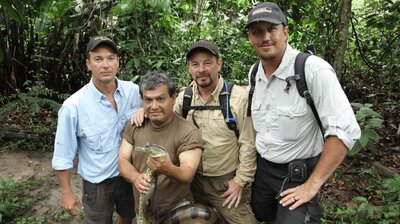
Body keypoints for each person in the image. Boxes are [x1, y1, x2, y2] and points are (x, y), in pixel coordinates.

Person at [245, 2, 361, 224]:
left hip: (297, 173)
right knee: (264, 215)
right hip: (264, 171)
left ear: (285, 31)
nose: (265, 37)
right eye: (257, 31)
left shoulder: (313, 70)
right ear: (250, 37)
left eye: (271, 29)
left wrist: (312, 185)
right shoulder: (254, 73)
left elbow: (344, 130)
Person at [134, 41, 258, 223]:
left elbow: (248, 143)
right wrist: (143, 111)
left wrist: (240, 181)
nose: (201, 69)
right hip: (191, 182)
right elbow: (165, 116)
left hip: (224, 181)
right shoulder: (185, 97)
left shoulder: (237, 98)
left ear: (219, 64)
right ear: (189, 68)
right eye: (195, 64)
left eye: (207, 63)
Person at [52, 36, 141, 224]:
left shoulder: (134, 92)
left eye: (110, 58)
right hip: (98, 182)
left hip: (130, 174)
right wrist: (67, 193)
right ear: (88, 64)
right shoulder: (73, 106)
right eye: (98, 59)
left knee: (128, 215)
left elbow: (159, 106)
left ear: (118, 61)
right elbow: (63, 154)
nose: (105, 65)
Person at [118, 70, 204, 222]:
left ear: (173, 98)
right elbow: (123, 160)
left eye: (160, 99)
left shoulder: (188, 132)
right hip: (144, 211)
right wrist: (136, 177)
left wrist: (168, 168)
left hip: (178, 211)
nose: (154, 106)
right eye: (148, 100)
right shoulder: (135, 125)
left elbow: (187, 174)